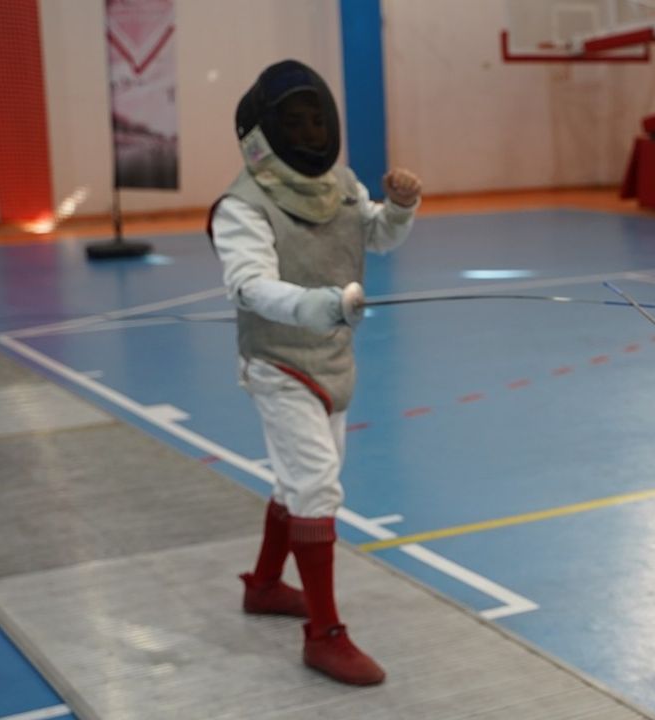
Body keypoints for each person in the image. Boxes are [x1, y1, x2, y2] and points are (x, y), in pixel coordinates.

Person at [208, 59, 421, 686]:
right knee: (316, 487)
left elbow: (374, 235)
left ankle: (268, 585)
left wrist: (400, 207)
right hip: (278, 359)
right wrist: (322, 304)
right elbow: (249, 287)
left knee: (300, 482)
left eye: (312, 119)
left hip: (331, 356)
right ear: (264, 132)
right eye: (292, 121)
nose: (306, 130)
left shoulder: (339, 183)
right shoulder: (240, 207)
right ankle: (323, 634)